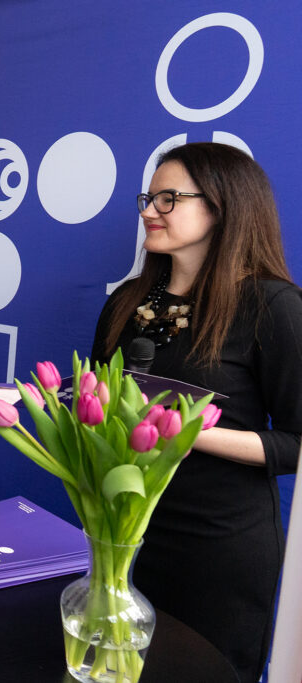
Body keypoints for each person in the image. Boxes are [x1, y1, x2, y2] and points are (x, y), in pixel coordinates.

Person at [91, 142, 302, 682]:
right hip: (125, 534)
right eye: (147, 199)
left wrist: (184, 431)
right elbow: (96, 401)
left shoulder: (272, 306)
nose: (149, 211)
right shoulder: (127, 302)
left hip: (218, 550)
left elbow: (295, 444)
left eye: (168, 199)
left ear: (222, 206)